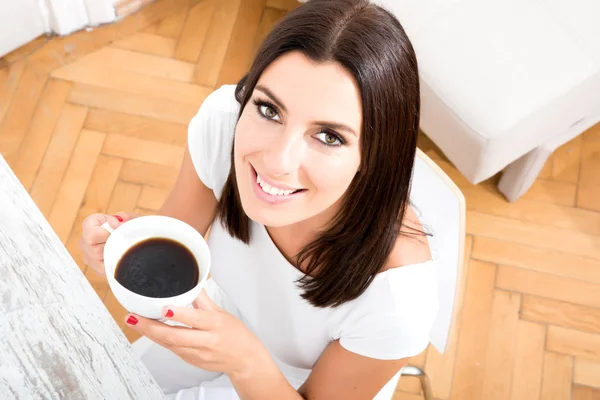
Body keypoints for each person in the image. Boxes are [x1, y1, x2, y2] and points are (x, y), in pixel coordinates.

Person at [80, 0, 439, 398]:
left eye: (329, 137)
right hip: (222, 322)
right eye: (268, 110)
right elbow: (173, 247)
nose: (277, 162)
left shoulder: (398, 299)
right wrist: (122, 246)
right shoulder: (224, 126)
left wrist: (244, 360)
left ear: (373, 156)